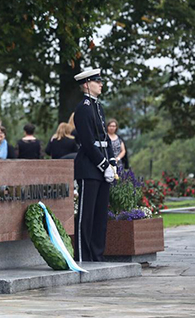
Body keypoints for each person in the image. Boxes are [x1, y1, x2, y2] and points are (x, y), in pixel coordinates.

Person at [73, 68, 117, 263]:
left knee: (100, 216)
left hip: (101, 168)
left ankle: (97, 254)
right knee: (86, 216)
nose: (101, 84)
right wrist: (103, 164)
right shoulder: (82, 108)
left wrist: (113, 162)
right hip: (89, 168)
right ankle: (83, 255)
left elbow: (104, 138)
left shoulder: (98, 107)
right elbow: (88, 142)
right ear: (86, 84)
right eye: (96, 81)